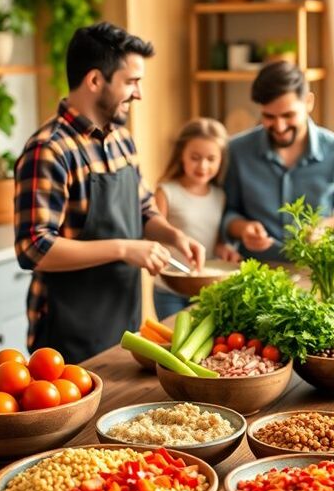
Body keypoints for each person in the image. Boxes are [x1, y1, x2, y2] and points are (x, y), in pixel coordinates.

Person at [14, 22, 205, 363]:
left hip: (123, 322)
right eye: (131, 81)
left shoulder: (121, 139)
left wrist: (174, 235)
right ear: (94, 80)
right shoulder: (49, 150)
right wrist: (123, 249)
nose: (139, 93)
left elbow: (143, 207)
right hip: (66, 332)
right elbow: (34, 248)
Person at [222, 61, 334, 261]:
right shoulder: (237, 150)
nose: (279, 126)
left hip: (318, 273)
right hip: (255, 273)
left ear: (308, 102)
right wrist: (243, 229)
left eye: (288, 115)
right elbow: (227, 212)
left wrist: (326, 226)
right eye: (269, 116)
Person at [152, 118, 241, 319]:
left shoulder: (220, 195)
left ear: (221, 160)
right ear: (181, 155)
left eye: (211, 159)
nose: (203, 165)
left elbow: (215, 239)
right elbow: (153, 233)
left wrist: (224, 250)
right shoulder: (167, 191)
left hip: (205, 288)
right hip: (169, 288)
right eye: (195, 157)